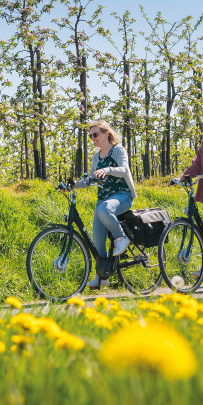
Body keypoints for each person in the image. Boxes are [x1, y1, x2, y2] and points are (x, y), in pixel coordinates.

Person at [77, 120, 137, 288]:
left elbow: (124, 169)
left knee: (104, 209)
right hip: (103, 199)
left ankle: (121, 237)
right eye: (91, 136)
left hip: (122, 195)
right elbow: (91, 179)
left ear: (106, 134)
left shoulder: (118, 150)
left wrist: (108, 170)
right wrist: (73, 185)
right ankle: (103, 277)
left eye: (95, 134)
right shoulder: (97, 157)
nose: (93, 138)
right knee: (97, 242)